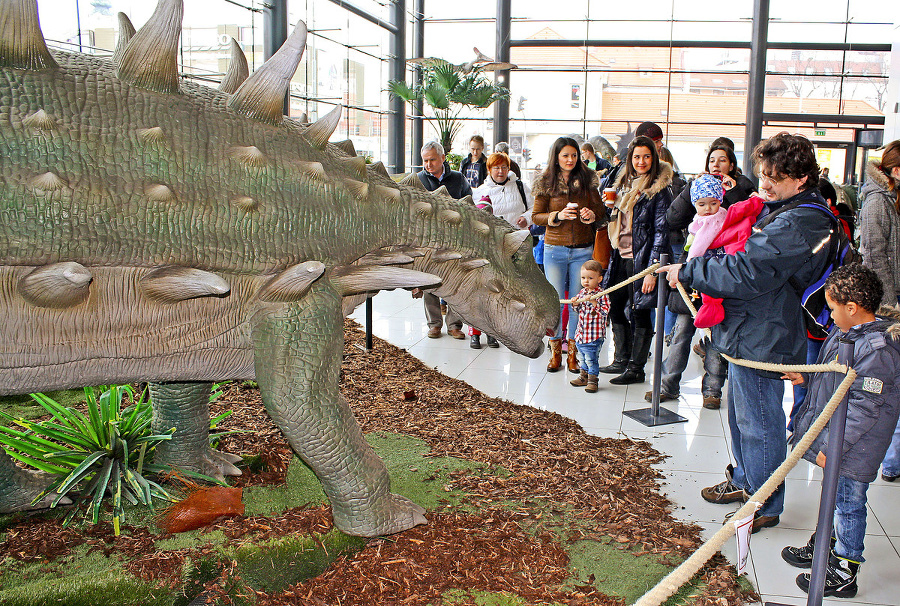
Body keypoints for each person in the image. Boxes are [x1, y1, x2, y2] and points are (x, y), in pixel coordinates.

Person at [659, 132, 836, 533]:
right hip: (749, 328)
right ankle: (745, 482)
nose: (766, 183)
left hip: (768, 333)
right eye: (763, 174)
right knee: (741, 418)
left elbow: (747, 270)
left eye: (776, 176)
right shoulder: (782, 207)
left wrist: (688, 271)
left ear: (802, 178)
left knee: (760, 422)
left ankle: (764, 502)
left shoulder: (803, 219)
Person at [782, 264, 900, 598]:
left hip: (855, 445)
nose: (829, 315)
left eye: (832, 308)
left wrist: (834, 446)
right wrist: (807, 378)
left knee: (849, 502)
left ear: (852, 308)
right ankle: (823, 548)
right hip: (840, 437)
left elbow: (864, 408)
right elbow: (838, 376)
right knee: (833, 494)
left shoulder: (877, 351)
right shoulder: (847, 332)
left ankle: (845, 568)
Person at [599, 135, 672, 385]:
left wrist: (652, 270)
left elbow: (662, 232)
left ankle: (636, 368)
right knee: (616, 305)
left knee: (640, 310)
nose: (641, 161)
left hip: (643, 260)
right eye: (637, 156)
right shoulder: (623, 183)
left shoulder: (659, 190)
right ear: (630, 159)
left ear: (654, 158)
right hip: (620, 253)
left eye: (647, 156)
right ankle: (621, 358)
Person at [532, 136, 605, 373]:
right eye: (565, 155)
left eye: (574, 155)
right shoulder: (545, 182)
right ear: (556, 157)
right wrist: (557, 216)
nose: (570, 159)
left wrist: (591, 215)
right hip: (554, 248)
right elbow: (536, 216)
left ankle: (573, 355)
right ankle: (555, 354)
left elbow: (600, 211)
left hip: (583, 248)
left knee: (577, 303)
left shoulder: (587, 179)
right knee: (555, 304)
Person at [858, 140, 900, 483]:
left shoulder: (891, 199)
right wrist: (891, 306)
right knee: (884, 383)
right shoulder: (877, 202)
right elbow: (875, 257)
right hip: (891, 309)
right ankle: (889, 459)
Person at [469, 152, 533, 348]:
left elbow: (534, 209)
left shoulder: (521, 187)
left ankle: (500, 330)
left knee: (514, 289)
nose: (501, 171)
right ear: (489, 170)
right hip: (490, 246)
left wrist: (526, 219)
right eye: (496, 167)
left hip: (517, 245)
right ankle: (476, 331)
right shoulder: (480, 191)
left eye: (504, 167)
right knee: (485, 289)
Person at [684, 175, 764, 329]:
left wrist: (689, 264)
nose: (708, 209)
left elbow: (700, 243)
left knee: (711, 287)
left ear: (720, 201)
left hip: (718, 254)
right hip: (723, 254)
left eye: (713, 203)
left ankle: (710, 309)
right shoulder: (720, 213)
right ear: (695, 204)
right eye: (702, 204)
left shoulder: (710, 220)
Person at [417, 141, 472, 339]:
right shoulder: (418, 180)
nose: (428, 164)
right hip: (428, 240)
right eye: (425, 160)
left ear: (443, 158)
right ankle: (434, 324)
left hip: (455, 240)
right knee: (430, 282)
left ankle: (454, 325)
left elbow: (468, 204)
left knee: (455, 282)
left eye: (432, 159)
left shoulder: (458, 179)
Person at [569, 260, 611, 393]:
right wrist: (575, 304)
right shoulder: (582, 292)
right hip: (581, 335)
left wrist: (593, 302)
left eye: (590, 278)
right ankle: (583, 377)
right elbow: (578, 310)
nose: (586, 281)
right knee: (582, 358)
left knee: (591, 359)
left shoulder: (602, 294)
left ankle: (593, 380)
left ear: (599, 279)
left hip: (594, 336)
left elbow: (605, 311)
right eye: (583, 278)